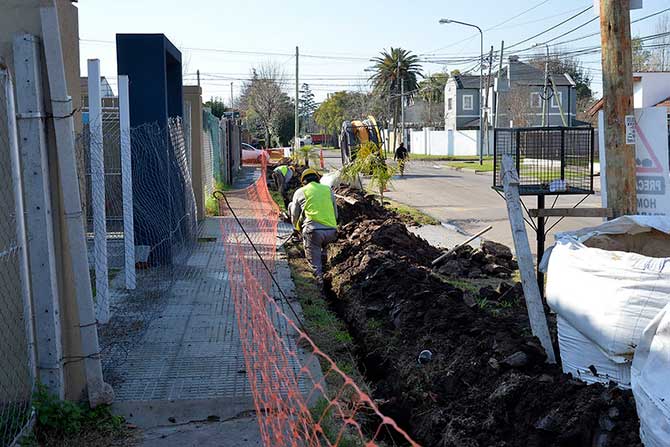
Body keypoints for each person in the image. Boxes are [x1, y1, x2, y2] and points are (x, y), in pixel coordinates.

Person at [289, 169, 338, 282]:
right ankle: (329, 278)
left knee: (315, 266)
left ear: (303, 181)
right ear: (317, 179)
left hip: (313, 232)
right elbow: (335, 214)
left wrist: (296, 229)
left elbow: (294, 215)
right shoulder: (328, 189)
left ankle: (320, 287)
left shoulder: (300, 191)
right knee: (325, 257)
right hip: (331, 231)